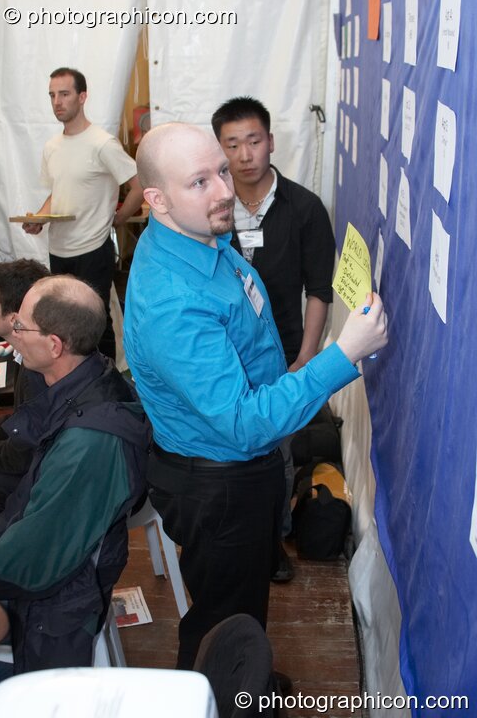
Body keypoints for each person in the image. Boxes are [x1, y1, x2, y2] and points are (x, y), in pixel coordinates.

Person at [123, 122, 388, 670]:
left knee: (243, 612)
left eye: (221, 170)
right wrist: (341, 357)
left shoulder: (201, 236)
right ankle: (224, 698)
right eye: (200, 181)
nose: (224, 190)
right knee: (223, 622)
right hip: (218, 481)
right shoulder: (173, 302)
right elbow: (243, 423)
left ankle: (249, 681)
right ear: (156, 199)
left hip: (244, 465)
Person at [0, 275, 151, 674]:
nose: (11, 331)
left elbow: (32, 559)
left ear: (53, 346)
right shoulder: (89, 374)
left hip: (54, 608)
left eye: (20, 325)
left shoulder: (89, 442)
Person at [212, 96, 336, 581]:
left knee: (276, 454)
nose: (245, 155)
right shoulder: (211, 205)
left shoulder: (304, 208)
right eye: (233, 144)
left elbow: (319, 290)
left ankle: (271, 541)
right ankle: (231, 535)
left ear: (270, 142)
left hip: (283, 352)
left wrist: (305, 357)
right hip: (223, 351)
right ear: (220, 149)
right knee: (226, 448)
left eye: (254, 141)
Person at [22, 67, 143, 360]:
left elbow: (139, 185)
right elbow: (57, 192)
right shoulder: (52, 147)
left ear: (82, 96)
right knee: (64, 323)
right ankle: (77, 383)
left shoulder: (102, 143)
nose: (57, 102)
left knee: (96, 323)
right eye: (52, 95)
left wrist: (120, 217)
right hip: (59, 249)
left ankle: (106, 388)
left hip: (93, 249)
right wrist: (38, 218)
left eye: (64, 94)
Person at [0, 259, 50, 511]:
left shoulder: (38, 371)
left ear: (15, 316)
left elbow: (22, 455)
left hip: (37, 485)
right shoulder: (24, 354)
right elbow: (20, 425)